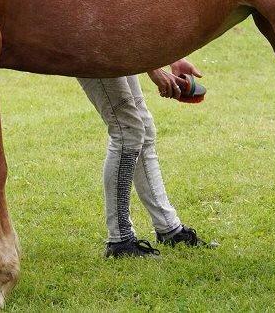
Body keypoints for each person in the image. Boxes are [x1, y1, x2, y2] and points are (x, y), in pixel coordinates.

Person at [78, 60, 216, 257]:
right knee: (127, 130)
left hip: (115, 46)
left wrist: (171, 59)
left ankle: (169, 228)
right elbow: (118, 29)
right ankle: (120, 240)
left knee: (144, 128)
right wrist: (155, 69)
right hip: (93, 46)